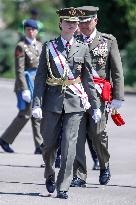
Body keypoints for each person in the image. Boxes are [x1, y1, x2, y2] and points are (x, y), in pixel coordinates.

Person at [32, 7, 101, 199]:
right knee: (49, 146)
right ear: (60, 24)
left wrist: (95, 106)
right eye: (68, 21)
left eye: (75, 22)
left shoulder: (83, 47)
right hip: (51, 102)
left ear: (78, 26)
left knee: (69, 146)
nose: (72, 25)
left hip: (75, 102)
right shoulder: (49, 47)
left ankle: (63, 185)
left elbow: (87, 80)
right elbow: (40, 78)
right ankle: (49, 172)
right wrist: (36, 104)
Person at [71, 6, 124, 187]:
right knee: (76, 135)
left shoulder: (108, 41)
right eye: (82, 22)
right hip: (76, 95)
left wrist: (118, 97)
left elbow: (117, 71)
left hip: (99, 97)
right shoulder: (73, 39)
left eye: (88, 21)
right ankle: (79, 175)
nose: (84, 25)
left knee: (98, 133)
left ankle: (104, 165)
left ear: (95, 21)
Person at [0, 19, 43, 154]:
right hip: (25, 84)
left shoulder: (40, 45)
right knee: (26, 114)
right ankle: (5, 139)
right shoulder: (21, 46)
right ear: (25, 30)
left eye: (33, 29)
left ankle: (39, 145)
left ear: (37, 31)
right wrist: (24, 89)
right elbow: (19, 69)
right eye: (28, 29)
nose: (31, 32)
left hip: (37, 84)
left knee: (37, 114)